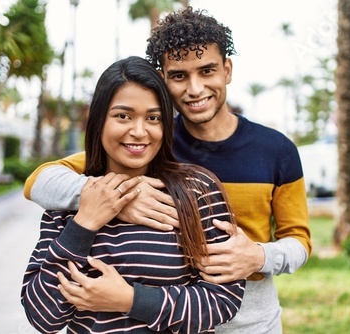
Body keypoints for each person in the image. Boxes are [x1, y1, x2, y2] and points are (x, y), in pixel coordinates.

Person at [24, 7, 311, 333]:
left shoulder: (276, 150)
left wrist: (259, 257)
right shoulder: (150, 142)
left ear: (227, 69)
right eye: (179, 75)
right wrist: (120, 198)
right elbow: (40, 180)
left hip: (249, 321)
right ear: (163, 79)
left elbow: (299, 240)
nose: (195, 88)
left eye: (207, 71)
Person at [20, 56, 245, 334]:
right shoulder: (68, 202)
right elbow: (43, 316)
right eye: (123, 116)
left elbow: (222, 300)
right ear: (99, 121)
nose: (139, 132)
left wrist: (130, 300)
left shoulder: (197, 189)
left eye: (153, 118)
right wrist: (85, 223)